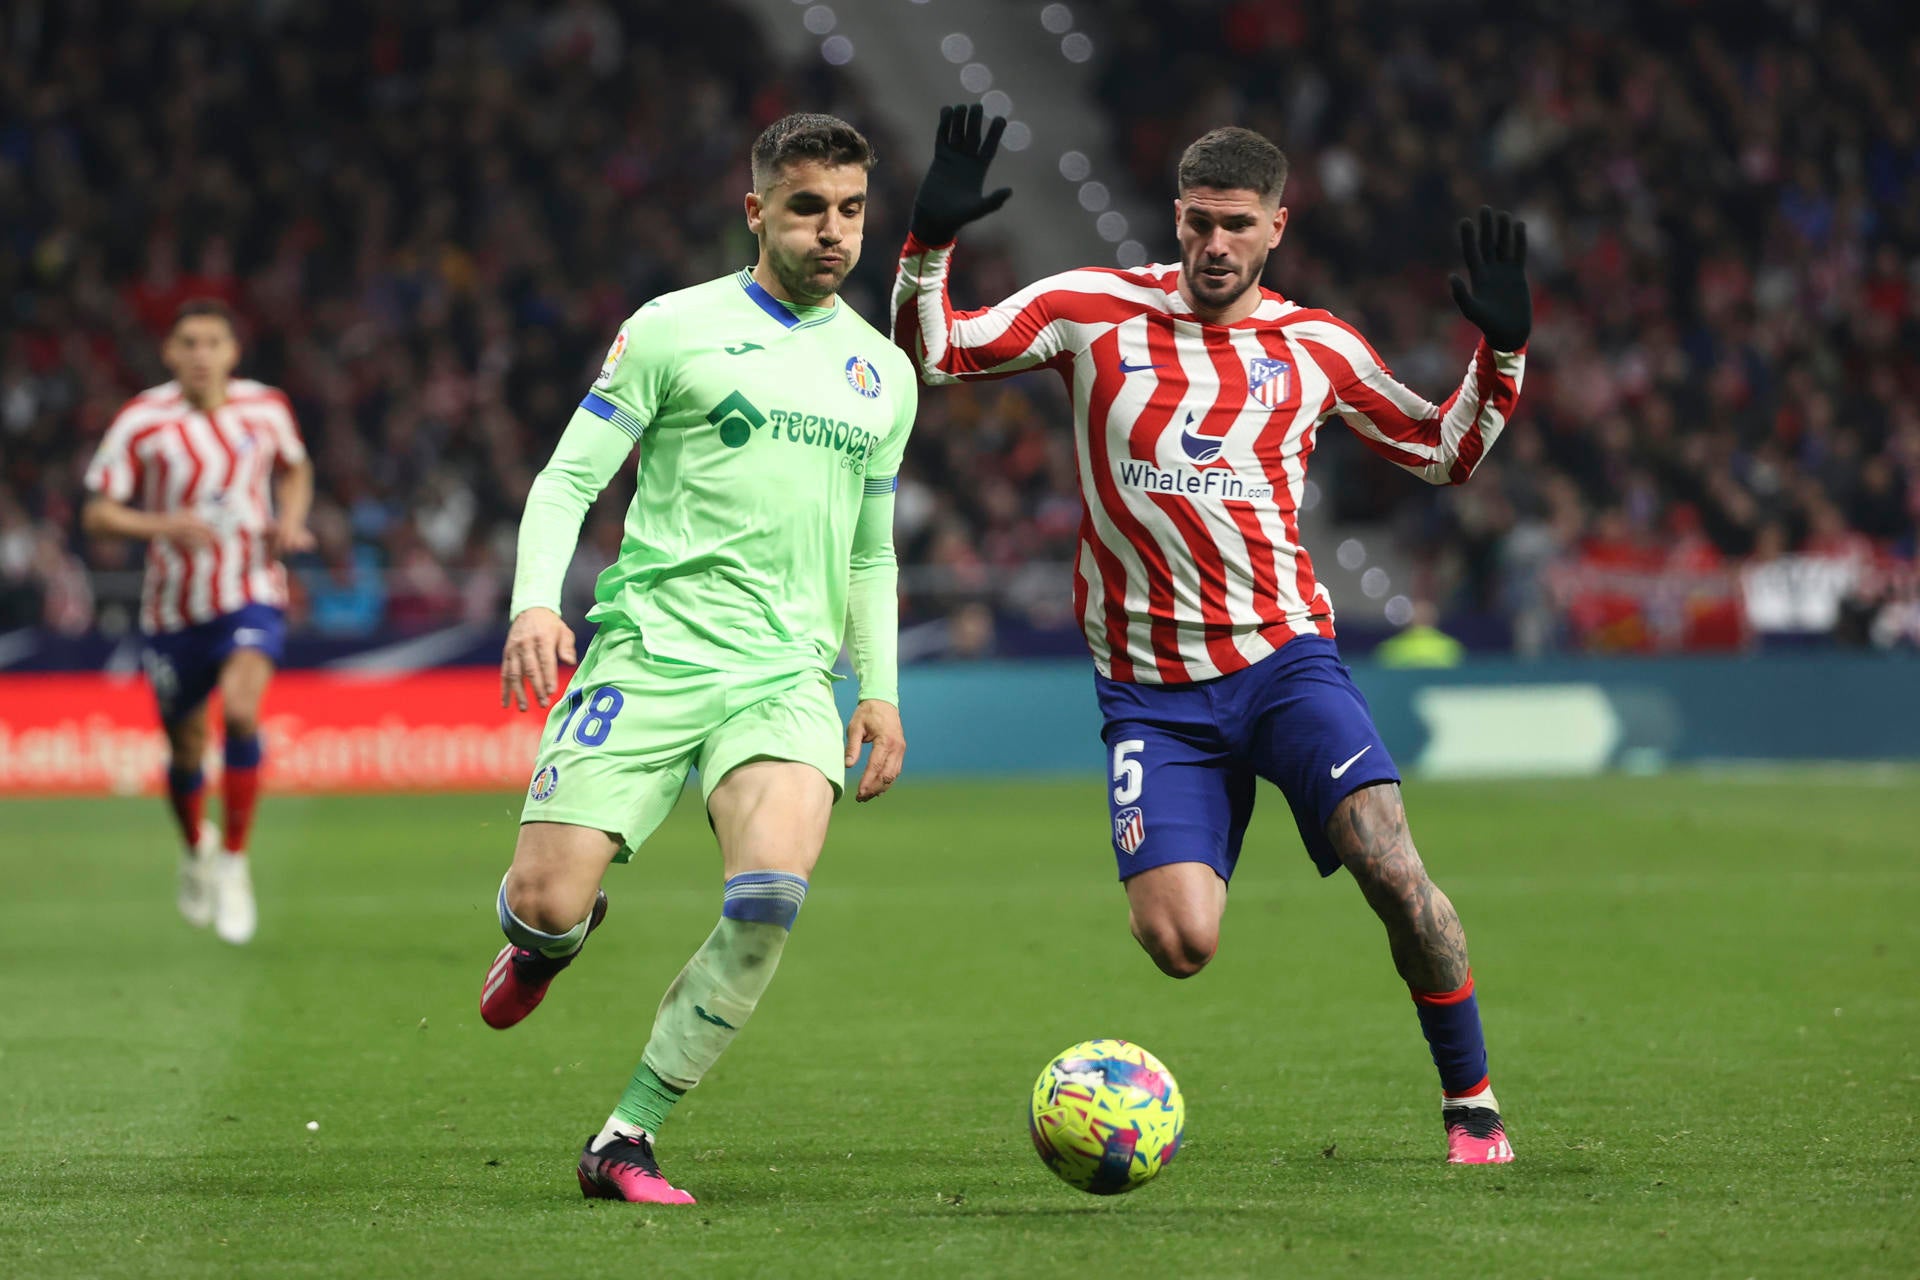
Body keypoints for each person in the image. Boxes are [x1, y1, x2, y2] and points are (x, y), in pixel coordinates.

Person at [892, 106, 1529, 1164]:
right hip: (1154, 695)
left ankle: (1472, 1102)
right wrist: (928, 248)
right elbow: (937, 354)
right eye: (1197, 224)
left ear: (1279, 224)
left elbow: (1441, 451)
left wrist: (1500, 354)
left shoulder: (1315, 347)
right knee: (1180, 943)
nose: (1214, 246)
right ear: (1175, 219)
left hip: (1285, 662)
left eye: (1237, 224)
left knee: (1390, 865)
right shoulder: (1089, 309)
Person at [482, 113, 915, 1204]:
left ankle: (626, 1135)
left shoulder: (882, 372)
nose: (833, 232)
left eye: (853, 209)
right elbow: (566, 480)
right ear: (756, 207)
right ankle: (547, 942)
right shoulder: (673, 328)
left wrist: (882, 690)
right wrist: (537, 603)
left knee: (769, 893)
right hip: (650, 650)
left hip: (785, 675)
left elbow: (872, 548)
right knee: (543, 897)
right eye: (809, 206)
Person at [81, 298, 314, 946]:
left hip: (251, 589)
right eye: (188, 342)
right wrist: (163, 526)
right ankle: (194, 848)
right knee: (185, 748)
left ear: (232, 353)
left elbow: (296, 468)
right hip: (172, 609)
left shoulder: (265, 407)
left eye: (213, 341)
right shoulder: (142, 421)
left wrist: (291, 521)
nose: (201, 354)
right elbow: (98, 513)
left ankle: (235, 861)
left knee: (240, 713)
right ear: (170, 354)